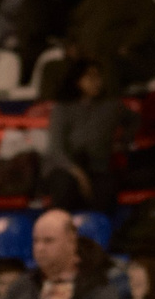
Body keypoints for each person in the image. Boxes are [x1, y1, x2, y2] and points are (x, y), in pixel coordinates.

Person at [39, 60, 130, 210]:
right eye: (90, 77)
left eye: (99, 77)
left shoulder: (111, 106)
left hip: (97, 168)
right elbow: (56, 150)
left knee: (106, 190)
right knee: (65, 185)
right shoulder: (62, 108)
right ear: (77, 80)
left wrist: (124, 140)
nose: (97, 82)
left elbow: (133, 120)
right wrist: (79, 174)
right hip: (65, 168)